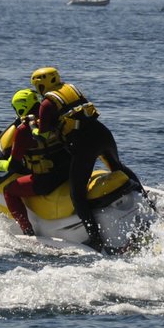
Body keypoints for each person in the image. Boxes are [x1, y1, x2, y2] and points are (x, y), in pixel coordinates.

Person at [30, 66, 140, 249]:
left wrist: (33, 125)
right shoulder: (72, 89)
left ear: (40, 86)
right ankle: (150, 204)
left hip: (85, 145)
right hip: (103, 134)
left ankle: (95, 238)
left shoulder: (47, 103)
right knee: (118, 168)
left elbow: (42, 134)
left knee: (77, 193)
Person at [0, 89, 72, 237]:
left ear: (20, 108)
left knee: (9, 191)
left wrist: (1, 165)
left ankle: (27, 231)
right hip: (69, 172)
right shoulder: (54, 120)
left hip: (47, 180)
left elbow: (14, 164)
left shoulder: (24, 130)